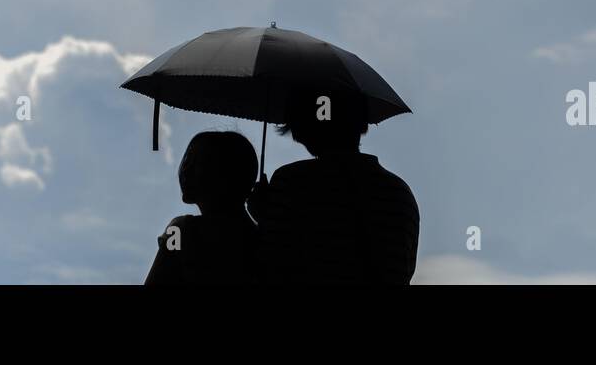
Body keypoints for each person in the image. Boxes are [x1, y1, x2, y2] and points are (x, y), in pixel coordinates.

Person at [250, 88, 419, 284]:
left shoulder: (293, 182)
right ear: (363, 125)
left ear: (299, 129)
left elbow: (274, 264)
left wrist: (263, 217)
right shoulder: (400, 193)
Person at [144, 130, 260, 285]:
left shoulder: (180, 232)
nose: (185, 169)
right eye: (186, 160)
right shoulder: (267, 241)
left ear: (223, 173)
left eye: (195, 161)